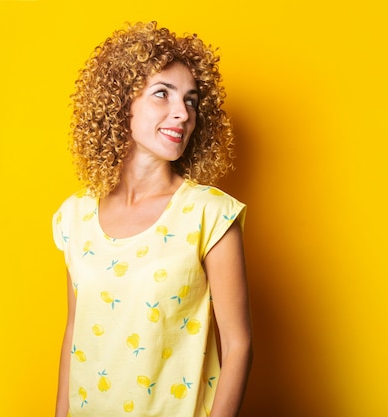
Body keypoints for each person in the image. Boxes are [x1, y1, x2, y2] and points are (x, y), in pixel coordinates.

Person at [52, 21, 252, 417]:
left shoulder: (210, 214)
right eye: (163, 94)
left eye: (191, 101)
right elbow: (74, 333)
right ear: (120, 102)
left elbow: (239, 343)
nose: (181, 114)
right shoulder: (74, 217)